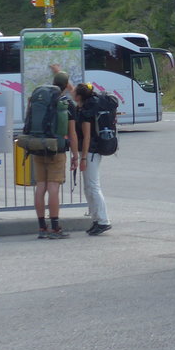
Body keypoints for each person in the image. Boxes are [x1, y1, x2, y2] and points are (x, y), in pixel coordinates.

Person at [32, 68, 79, 239]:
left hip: (37, 147)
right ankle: (55, 228)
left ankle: (42, 228)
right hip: (56, 149)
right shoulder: (66, 103)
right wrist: (75, 155)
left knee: (40, 187)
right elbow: (72, 133)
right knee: (53, 187)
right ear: (66, 85)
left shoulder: (39, 98)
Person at [73, 82, 112, 235]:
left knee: (93, 186)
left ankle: (103, 220)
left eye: (74, 92)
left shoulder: (86, 112)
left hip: (90, 152)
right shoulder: (88, 106)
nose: (72, 93)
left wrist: (83, 158)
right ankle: (96, 220)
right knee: (88, 187)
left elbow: (87, 137)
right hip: (92, 152)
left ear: (79, 96)